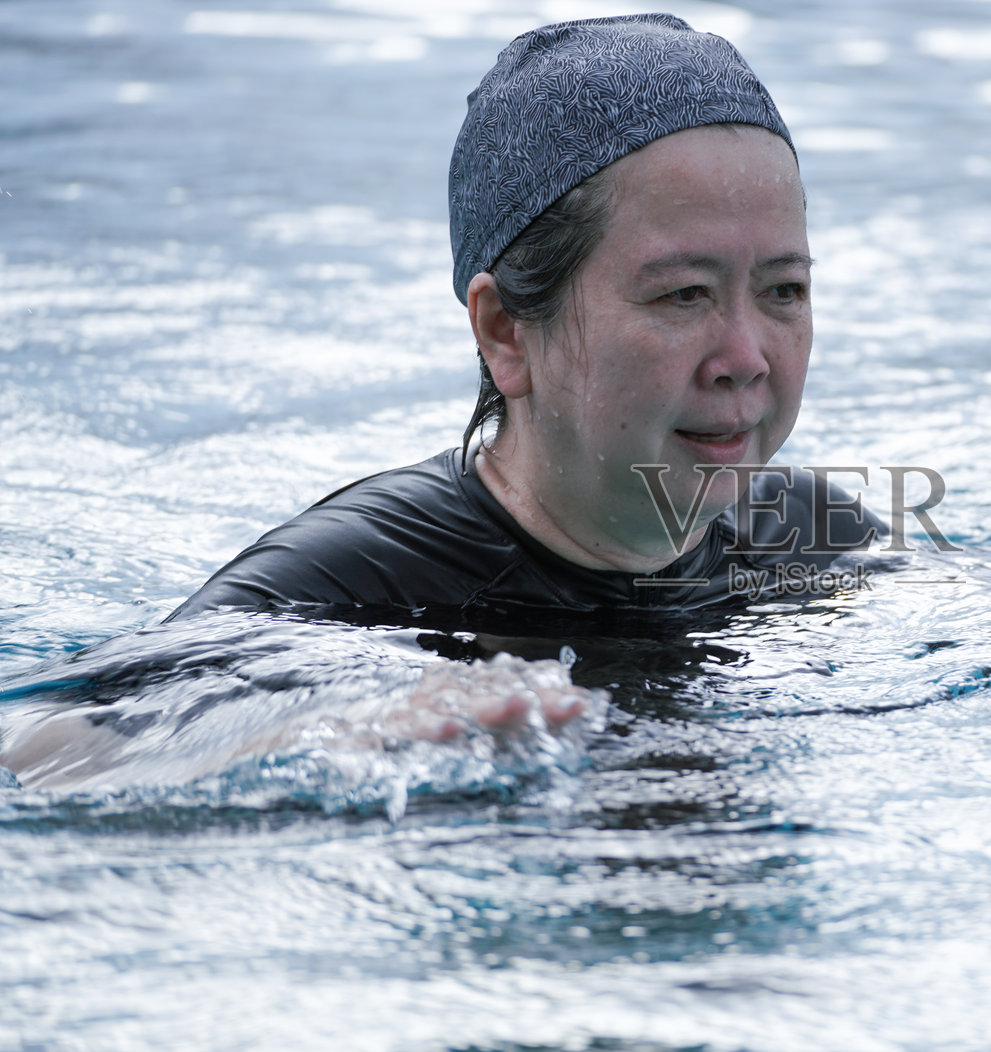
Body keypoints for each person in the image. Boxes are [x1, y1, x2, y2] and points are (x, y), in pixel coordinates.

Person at [167, 14, 882, 632]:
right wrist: (313, 726)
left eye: (783, 290)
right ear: (506, 330)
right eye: (683, 295)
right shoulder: (342, 594)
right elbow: (62, 743)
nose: (746, 357)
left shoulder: (808, 535)